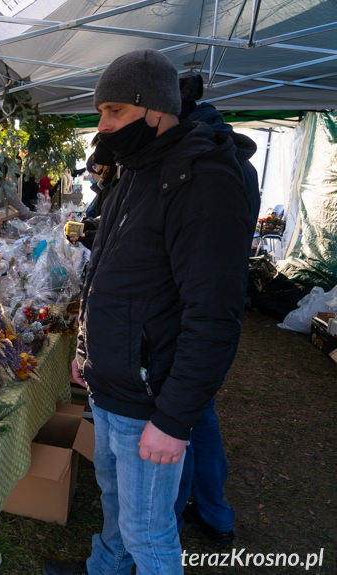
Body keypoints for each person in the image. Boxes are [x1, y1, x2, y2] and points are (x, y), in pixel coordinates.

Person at [43, 49, 251, 575]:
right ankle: (104, 569)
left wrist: (175, 419)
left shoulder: (202, 180)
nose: (103, 125)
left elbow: (214, 315)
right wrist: (87, 350)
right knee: (115, 505)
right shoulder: (134, 171)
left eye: (114, 110)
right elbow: (107, 276)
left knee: (148, 531)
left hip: (150, 395)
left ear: (155, 109)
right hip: (112, 383)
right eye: (101, 112)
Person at [173, 72, 260, 547]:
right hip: (219, 306)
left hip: (198, 312)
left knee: (182, 418)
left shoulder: (206, 166)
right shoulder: (235, 161)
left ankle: (177, 516)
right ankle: (214, 511)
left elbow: (196, 258)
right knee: (199, 415)